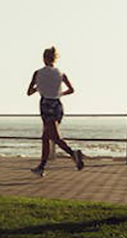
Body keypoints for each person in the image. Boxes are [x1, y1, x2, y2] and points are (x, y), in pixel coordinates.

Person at [27, 46, 84, 176]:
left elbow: (29, 92)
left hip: (46, 104)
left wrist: (38, 88)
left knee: (54, 136)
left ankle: (73, 154)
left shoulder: (38, 73)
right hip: (57, 105)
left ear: (43, 58)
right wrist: (59, 93)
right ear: (55, 59)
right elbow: (71, 90)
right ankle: (41, 166)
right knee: (46, 137)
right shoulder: (60, 73)